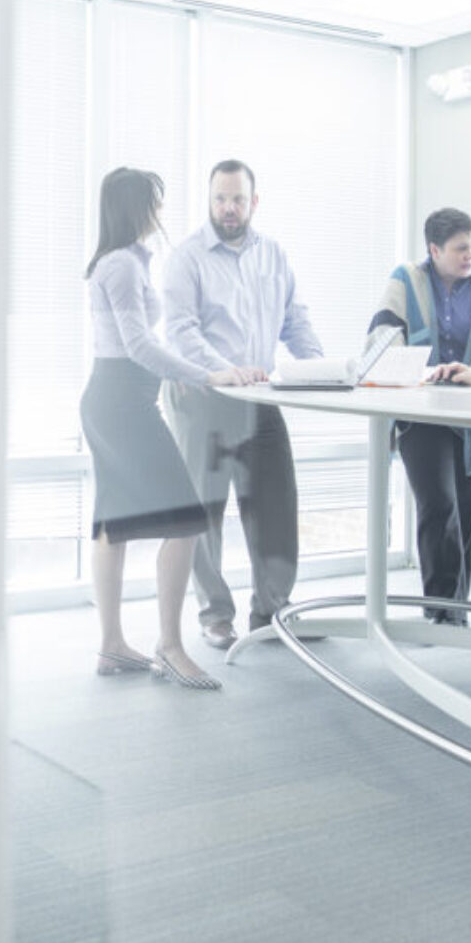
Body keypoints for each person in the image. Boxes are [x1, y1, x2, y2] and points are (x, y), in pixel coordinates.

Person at [81, 167, 260, 689]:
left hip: (119, 396)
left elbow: (137, 346)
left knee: (113, 526)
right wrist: (205, 374)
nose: (159, 212)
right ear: (136, 208)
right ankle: (170, 645)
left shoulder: (126, 262)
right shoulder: (119, 266)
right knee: (185, 520)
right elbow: (138, 345)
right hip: (120, 403)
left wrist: (171, 375)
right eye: (153, 203)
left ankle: (112, 646)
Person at [163, 160, 322, 650]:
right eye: (219, 199)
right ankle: (215, 615)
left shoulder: (272, 254)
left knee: (276, 504)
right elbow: (181, 331)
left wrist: (319, 367)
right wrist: (222, 370)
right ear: (208, 200)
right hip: (203, 396)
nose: (227, 208)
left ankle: (272, 611)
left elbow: (295, 320)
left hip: (259, 396)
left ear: (254, 201)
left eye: (236, 199)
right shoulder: (187, 257)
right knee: (204, 513)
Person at [367, 208, 471, 625]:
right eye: (461, 248)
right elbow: (382, 339)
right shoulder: (405, 279)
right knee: (438, 506)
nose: (470, 256)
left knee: (465, 510)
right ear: (434, 249)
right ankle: (443, 607)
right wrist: (423, 371)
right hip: (421, 412)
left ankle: (454, 609)